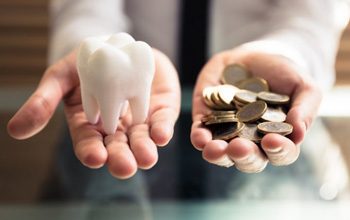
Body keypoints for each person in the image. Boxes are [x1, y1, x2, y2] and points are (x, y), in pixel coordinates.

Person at [7, 0, 349, 195]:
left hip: (285, 185)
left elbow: (312, 11)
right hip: (125, 120)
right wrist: (93, 49)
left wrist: (285, 55)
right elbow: (85, 6)